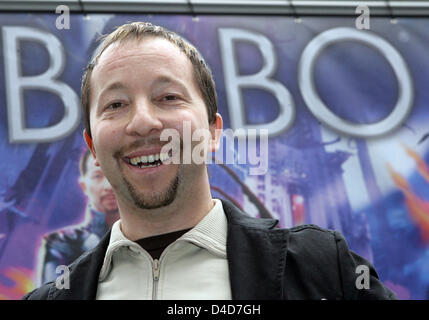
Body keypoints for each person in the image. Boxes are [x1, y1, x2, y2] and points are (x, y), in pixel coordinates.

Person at [23, 22, 396, 300]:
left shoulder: (325, 271)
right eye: (115, 104)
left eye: (168, 97)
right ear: (92, 148)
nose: (142, 122)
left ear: (213, 132)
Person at [36, 149, 119, 285]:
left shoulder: (149, 238)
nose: (108, 186)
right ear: (84, 186)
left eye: (114, 175)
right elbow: (57, 295)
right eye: (98, 176)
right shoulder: (63, 243)